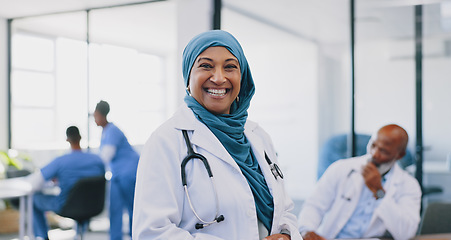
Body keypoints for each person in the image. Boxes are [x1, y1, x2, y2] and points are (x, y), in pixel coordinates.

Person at [132, 30, 300, 240]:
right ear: (188, 76)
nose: (219, 78)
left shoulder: (258, 136)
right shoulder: (166, 141)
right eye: (206, 66)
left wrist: (286, 235)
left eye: (230, 67)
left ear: (242, 76)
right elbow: (152, 233)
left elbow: (284, 210)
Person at [298, 124, 421, 240]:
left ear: (400, 155)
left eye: (383, 151)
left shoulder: (409, 185)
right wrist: (307, 230)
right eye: (373, 145)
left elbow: (406, 232)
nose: (374, 154)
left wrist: (379, 192)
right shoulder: (341, 168)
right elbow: (314, 206)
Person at [25, 126, 105, 240]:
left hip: (66, 206)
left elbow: (34, 183)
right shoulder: (97, 160)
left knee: (33, 199)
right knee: (81, 200)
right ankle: (81, 231)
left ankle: (42, 237)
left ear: (67, 139)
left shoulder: (61, 161)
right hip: (93, 206)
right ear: (80, 138)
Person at [94, 100, 139, 240]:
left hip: (129, 172)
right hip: (117, 175)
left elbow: (106, 156)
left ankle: (135, 236)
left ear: (101, 115)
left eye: (95, 115)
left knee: (133, 209)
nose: (94, 119)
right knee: (114, 210)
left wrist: (88, 166)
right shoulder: (105, 132)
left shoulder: (113, 130)